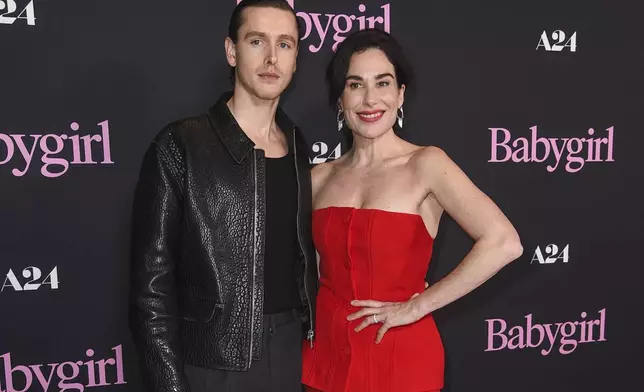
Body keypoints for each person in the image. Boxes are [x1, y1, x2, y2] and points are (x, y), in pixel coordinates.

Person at [301, 28, 523, 392]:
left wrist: (419, 306)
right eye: (355, 85)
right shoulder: (318, 178)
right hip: (324, 362)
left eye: (383, 83)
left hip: (401, 362)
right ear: (340, 99)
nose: (370, 99)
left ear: (400, 94)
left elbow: (503, 242)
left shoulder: (427, 164)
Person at [128, 1, 317, 391]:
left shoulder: (298, 146)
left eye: (284, 44)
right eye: (256, 41)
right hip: (212, 360)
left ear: (296, 59)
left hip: (289, 352)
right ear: (232, 51)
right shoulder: (181, 145)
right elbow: (150, 293)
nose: (271, 57)